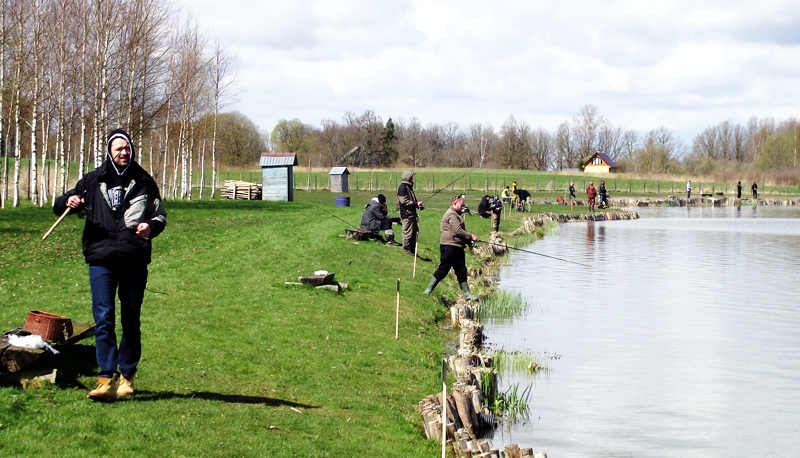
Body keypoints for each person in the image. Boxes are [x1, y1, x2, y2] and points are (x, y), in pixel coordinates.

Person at [54, 129, 167, 402]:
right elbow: (60, 206)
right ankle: (105, 379)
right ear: (109, 152)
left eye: (127, 148)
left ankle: (127, 375)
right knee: (104, 319)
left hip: (133, 258)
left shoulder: (144, 181)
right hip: (101, 259)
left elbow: (160, 216)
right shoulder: (93, 180)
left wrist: (149, 227)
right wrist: (69, 201)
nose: (123, 153)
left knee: (130, 319)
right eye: (118, 149)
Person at [423, 195, 479, 300]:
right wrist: (471, 236)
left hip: (458, 247)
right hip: (449, 246)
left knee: (461, 271)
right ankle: (428, 290)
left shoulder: (457, 215)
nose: (463, 207)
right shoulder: (451, 214)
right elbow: (458, 230)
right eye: (461, 205)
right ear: (454, 203)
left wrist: (469, 242)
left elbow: (461, 233)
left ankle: (467, 295)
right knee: (444, 269)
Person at [397, 170, 424, 256]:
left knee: (414, 232)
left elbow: (413, 200)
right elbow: (404, 201)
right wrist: (416, 203)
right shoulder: (402, 187)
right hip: (407, 214)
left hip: (412, 214)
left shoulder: (409, 187)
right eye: (411, 177)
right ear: (408, 178)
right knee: (408, 232)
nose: (413, 178)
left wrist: (418, 205)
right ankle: (406, 249)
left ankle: (412, 250)